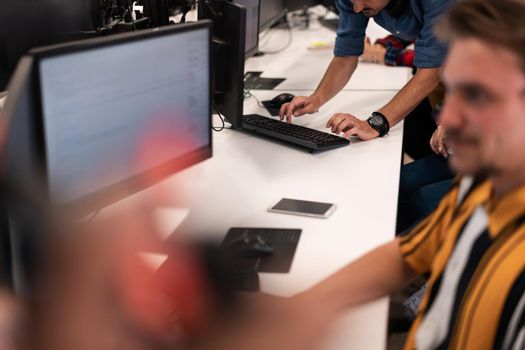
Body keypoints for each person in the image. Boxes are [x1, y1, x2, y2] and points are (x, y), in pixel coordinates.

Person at [294, 0, 525, 348]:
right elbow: (402, 255)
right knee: (400, 192)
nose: (446, 119)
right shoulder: (478, 193)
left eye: (475, 96)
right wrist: (300, 306)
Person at [280, 0, 454, 142]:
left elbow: (430, 72)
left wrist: (375, 124)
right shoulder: (357, 2)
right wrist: (317, 98)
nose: (357, 8)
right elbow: (346, 56)